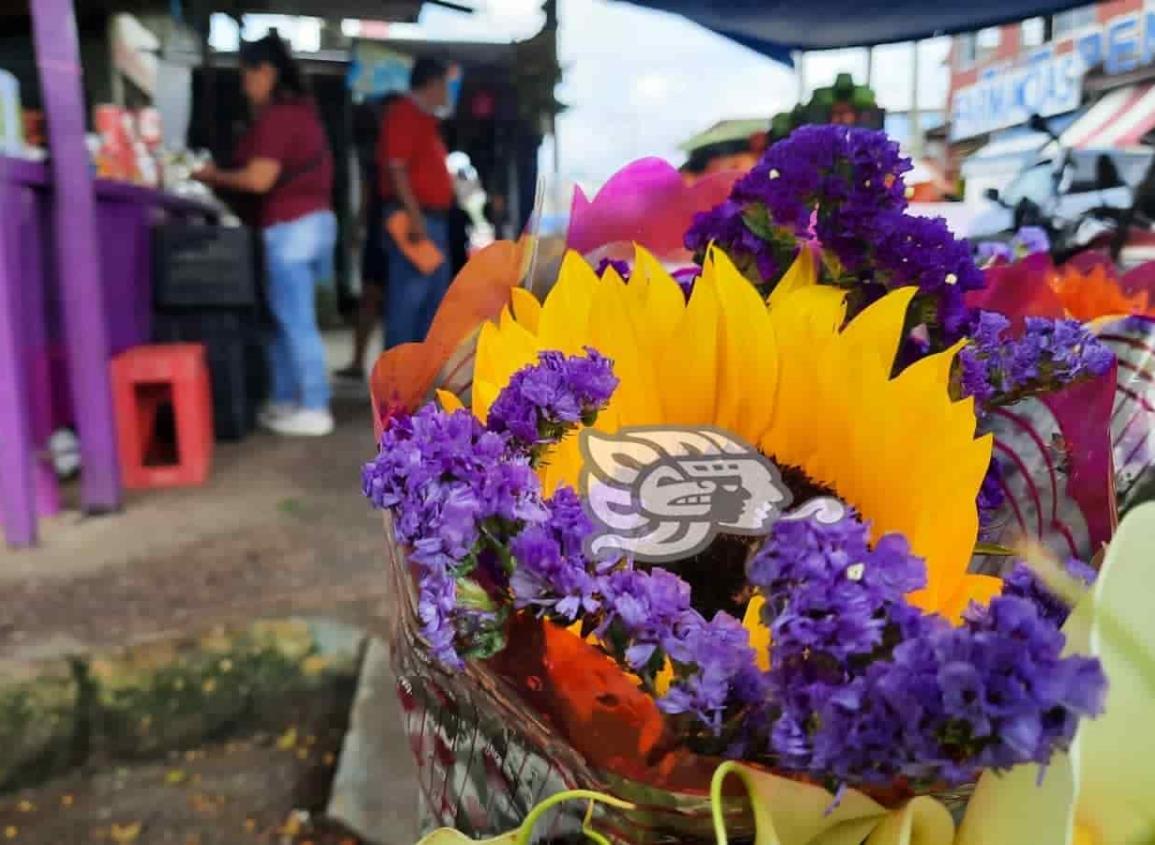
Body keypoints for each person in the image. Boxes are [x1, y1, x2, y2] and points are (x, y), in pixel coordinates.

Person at [196, 34, 336, 437]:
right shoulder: (300, 113)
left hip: (293, 227)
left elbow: (259, 179)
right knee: (286, 318)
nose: (244, 85)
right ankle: (288, 401)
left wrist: (209, 176)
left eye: (247, 75)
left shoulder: (281, 117)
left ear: (266, 72)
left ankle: (314, 405)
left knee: (295, 320)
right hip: (309, 224)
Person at [378, 58, 456, 349]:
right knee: (408, 304)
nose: (448, 92)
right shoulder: (404, 115)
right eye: (444, 85)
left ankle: (420, 383)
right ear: (432, 85)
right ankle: (397, 385)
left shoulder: (425, 120)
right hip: (416, 221)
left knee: (431, 306)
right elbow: (396, 168)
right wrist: (414, 216)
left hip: (431, 220)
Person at [334, 95, 397, 382]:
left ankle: (378, 364)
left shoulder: (381, 149)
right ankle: (364, 362)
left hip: (387, 229)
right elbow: (367, 194)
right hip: (381, 229)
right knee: (373, 297)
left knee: (386, 300)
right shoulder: (375, 151)